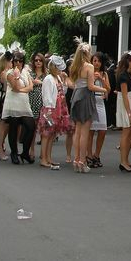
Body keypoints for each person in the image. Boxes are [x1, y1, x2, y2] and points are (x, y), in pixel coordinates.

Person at [68, 38, 108, 173]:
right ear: (88, 53)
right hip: (85, 97)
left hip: (76, 96)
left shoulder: (74, 66)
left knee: (77, 131)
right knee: (84, 132)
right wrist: (103, 89)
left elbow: (74, 83)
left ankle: (76, 159)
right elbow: (91, 86)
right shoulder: (89, 67)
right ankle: (82, 161)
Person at [1, 52, 35, 165]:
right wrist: (16, 77)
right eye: (16, 61)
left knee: (31, 126)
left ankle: (25, 152)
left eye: (20, 61)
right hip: (13, 103)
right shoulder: (10, 73)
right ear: (12, 61)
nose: (18, 63)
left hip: (24, 103)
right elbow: (16, 87)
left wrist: (21, 90)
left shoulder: (25, 72)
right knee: (13, 128)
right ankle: (14, 153)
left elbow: (30, 87)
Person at [38, 55, 71, 169]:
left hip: (59, 108)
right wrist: (49, 111)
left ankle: (49, 158)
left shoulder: (58, 78)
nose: (60, 70)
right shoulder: (48, 79)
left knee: (52, 134)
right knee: (46, 134)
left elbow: (63, 91)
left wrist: (64, 80)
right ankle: (43, 159)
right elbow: (47, 96)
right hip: (51, 109)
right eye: (58, 67)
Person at [115, 51, 131, 172]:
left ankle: (125, 160)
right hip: (127, 105)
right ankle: (123, 161)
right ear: (128, 61)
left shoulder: (128, 75)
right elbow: (124, 96)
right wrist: (129, 112)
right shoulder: (123, 76)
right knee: (127, 132)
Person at [87, 52, 110, 168]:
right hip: (91, 100)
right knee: (90, 131)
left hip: (100, 101)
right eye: (94, 61)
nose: (96, 63)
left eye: (99, 61)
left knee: (102, 130)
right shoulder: (88, 71)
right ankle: (89, 155)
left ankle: (97, 154)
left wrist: (101, 78)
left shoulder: (104, 73)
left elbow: (108, 89)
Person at [0, 52, 13, 161]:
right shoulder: (4, 73)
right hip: (3, 99)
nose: (12, 64)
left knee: (1, 126)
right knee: (1, 126)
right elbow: (7, 87)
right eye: (11, 62)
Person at [28, 52, 47, 158]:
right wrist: (33, 82)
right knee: (33, 128)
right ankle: (32, 150)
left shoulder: (47, 74)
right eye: (36, 60)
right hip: (32, 102)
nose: (38, 62)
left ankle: (43, 153)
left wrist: (40, 83)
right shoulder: (30, 73)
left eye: (40, 60)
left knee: (44, 128)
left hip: (44, 103)